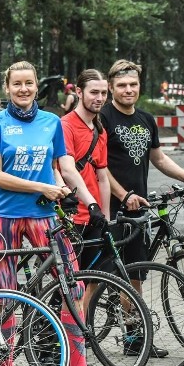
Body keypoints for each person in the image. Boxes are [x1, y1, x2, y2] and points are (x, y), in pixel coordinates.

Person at [0, 61, 107, 366]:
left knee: (72, 286)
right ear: (7, 88)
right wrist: (42, 187)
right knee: (7, 294)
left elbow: (65, 166)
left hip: (44, 216)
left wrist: (88, 199)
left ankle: (77, 365)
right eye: (17, 84)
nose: (23, 89)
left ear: (37, 87)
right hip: (3, 217)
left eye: (29, 83)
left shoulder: (51, 122)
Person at [101, 59, 184, 357]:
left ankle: (134, 337)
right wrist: (123, 195)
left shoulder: (146, 119)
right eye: (121, 85)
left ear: (139, 86)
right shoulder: (105, 118)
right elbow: (101, 167)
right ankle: (130, 337)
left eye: (133, 85)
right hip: (112, 208)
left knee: (134, 275)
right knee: (116, 274)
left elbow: (159, 159)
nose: (128, 90)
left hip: (138, 208)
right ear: (110, 87)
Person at [60, 69, 111, 270]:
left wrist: (106, 217)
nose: (99, 98)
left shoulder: (100, 130)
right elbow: (67, 171)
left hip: (94, 217)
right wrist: (91, 205)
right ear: (79, 92)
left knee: (93, 278)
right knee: (71, 282)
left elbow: (103, 178)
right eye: (94, 92)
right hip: (72, 216)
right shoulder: (65, 125)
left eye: (104, 93)